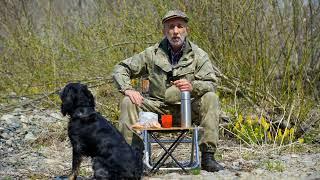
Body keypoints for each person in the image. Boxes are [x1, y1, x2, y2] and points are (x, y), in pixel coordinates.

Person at [112, 10, 224, 172]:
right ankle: (131, 157)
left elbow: (212, 83)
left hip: (187, 110)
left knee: (211, 97)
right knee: (129, 101)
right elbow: (121, 68)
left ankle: (208, 157)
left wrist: (193, 86)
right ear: (164, 31)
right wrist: (127, 89)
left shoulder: (199, 55)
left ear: (187, 30)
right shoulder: (151, 54)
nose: (176, 31)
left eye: (180, 26)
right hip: (156, 110)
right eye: (171, 27)